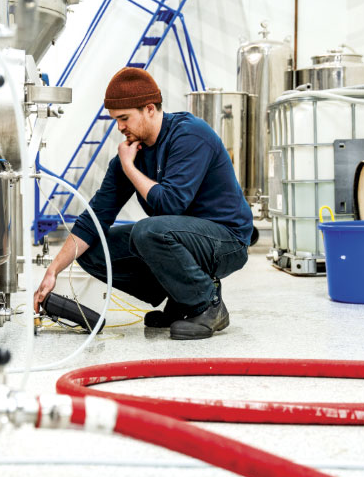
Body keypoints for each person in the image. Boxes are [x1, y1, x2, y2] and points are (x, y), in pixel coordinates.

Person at [34, 67, 253, 340]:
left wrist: (129, 167)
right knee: (92, 250)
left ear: (149, 109)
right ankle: (182, 297)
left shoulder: (190, 135)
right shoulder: (132, 152)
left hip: (227, 241)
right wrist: (53, 270)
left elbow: (171, 204)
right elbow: (94, 219)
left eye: (124, 118)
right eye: (116, 120)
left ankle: (207, 304)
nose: (119, 127)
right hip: (186, 238)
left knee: (148, 231)